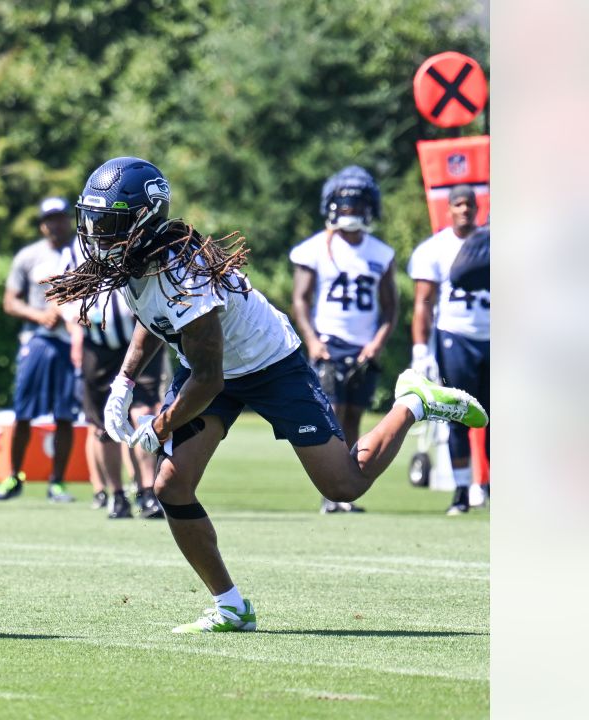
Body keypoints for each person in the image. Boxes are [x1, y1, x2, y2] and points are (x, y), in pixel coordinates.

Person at [46, 157, 488, 633]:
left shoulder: (183, 273)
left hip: (268, 364)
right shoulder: (139, 259)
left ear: (144, 219)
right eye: (93, 220)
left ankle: (413, 402)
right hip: (211, 368)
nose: (96, 234)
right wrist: (124, 382)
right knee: (170, 485)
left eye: (108, 223)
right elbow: (152, 318)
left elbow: (209, 380)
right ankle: (231, 606)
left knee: (343, 486)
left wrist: (160, 426)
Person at [289, 166, 397, 513]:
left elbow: (391, 309)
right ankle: (330, 492)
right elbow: (300, 300)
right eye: (345, 205)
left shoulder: (381, 253)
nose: (351, 212)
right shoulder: (314, 249)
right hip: (328, 342)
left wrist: (377, 343)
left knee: (353, 418)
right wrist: (313, 341)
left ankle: (346, 490)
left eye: (358, 205)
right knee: (331, 418)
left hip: (364, 348)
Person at [62, 212, 168, 519]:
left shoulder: (139, 243)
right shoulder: (76, 251)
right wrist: (75, 325)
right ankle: (117, 495)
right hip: (98, 344)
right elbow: (64, 295)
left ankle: (147, 491)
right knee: (103, 425)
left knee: (143, 412)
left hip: (140, 338)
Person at [0, 198, 81, 503]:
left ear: (69, 220)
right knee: (24, 411)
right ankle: (13, 476)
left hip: (70, 342)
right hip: (37, 340)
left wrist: (66, 309)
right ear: (42, 224)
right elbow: (10, 301)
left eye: (60, 218)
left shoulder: (83, 255)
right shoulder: (29, 256)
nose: (55, 224)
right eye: (49, 219)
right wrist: (40, 315)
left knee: (65, 415)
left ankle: (57, 482)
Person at [408, 185, 490, 515]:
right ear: (449, 209)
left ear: (477, 207)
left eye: (470, 204)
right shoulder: (435, 249)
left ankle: (488, 488)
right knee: (456, 414)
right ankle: (460, 490)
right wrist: (420, 348)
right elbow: (423, 303)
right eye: (459, 204)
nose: (465, 210)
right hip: (454, 335)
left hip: (496, 335)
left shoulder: (491, 243)